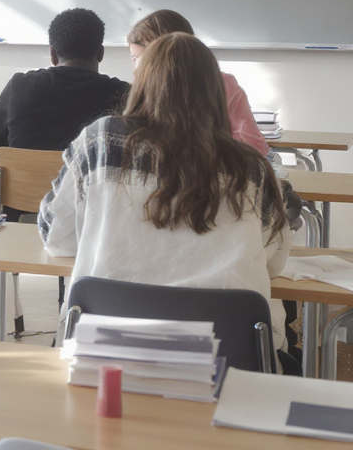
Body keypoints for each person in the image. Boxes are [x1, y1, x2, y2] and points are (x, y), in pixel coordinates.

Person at [39, 32, 292, 364]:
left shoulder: (98, 144)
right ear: (215, 92)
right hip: (228, 362)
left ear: (141, 83)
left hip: (107, 358)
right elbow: (275, 262)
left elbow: (56, 237)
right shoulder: (252, 169)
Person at [0, 8, 130, 164]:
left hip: (28, 188)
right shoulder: (122, 93)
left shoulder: (19, 86)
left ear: (52, 54)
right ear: (100, 53)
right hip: (90, 188)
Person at [126, 10, 269, 156]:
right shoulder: (141, 89)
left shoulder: (224, 84)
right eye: (133, 59)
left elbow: (255, 146)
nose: (137, 68)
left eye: (142, 59)